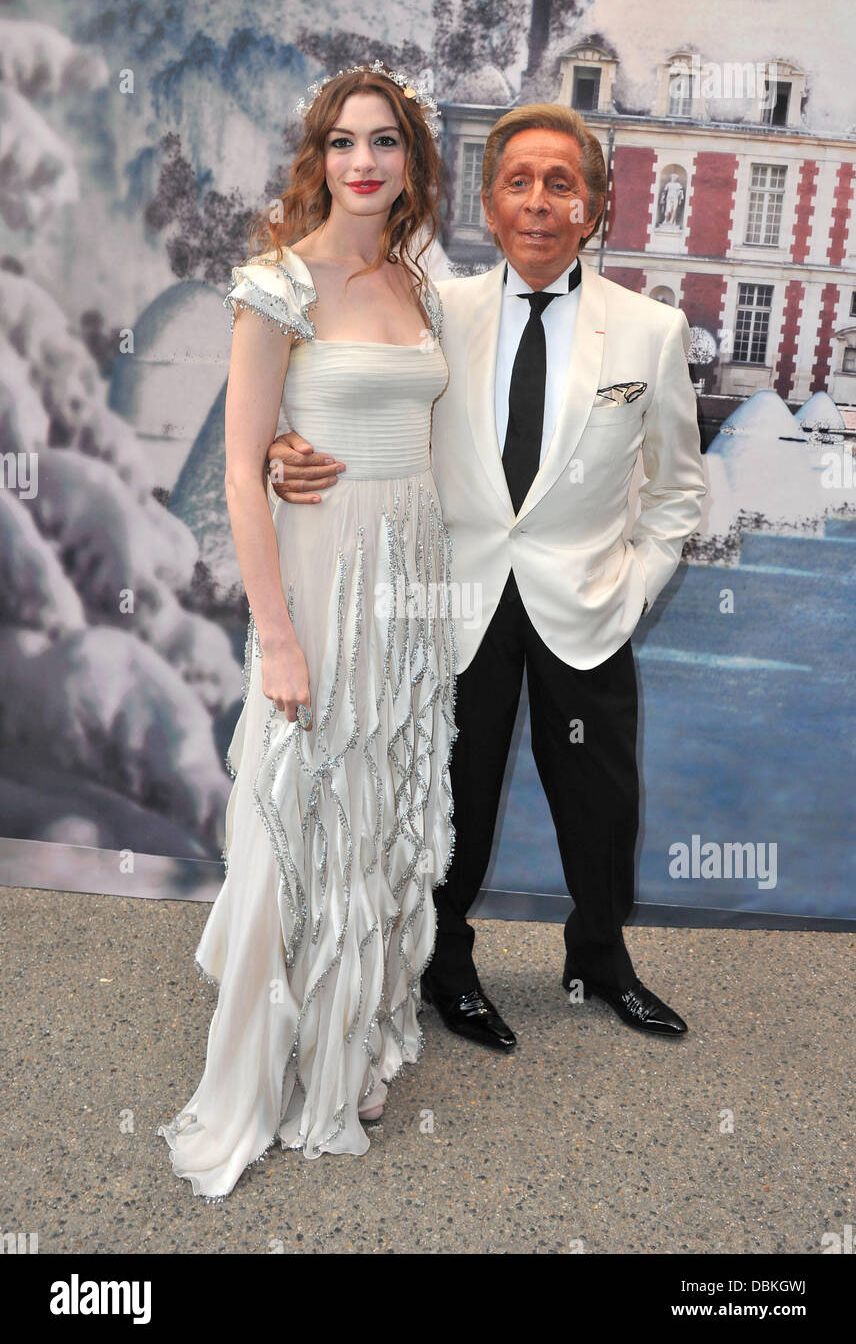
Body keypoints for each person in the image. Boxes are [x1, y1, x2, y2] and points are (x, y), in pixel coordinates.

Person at [268, 103, 708, 1053]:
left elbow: (677, 491)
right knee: (450, 794)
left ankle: (599, 956)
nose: (540, 203)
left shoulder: (651, 330)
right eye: (520, 182)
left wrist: (634, 585)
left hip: (587, 605)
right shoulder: (437, 309)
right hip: (454, 601)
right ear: (489, 201)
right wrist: (282, 445)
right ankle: (448, 964)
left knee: (601, 802)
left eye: (562, 184)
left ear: (596, 206)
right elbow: (352, 407)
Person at [157, 64, 456, 1200]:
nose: (364, 162)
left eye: (384, 142)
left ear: (411, 163)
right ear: (317, 158)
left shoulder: (418, 286)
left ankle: (352, 1037)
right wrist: (275, 635)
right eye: (343, 143)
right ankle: (265, 1066)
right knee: (299, 814)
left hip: (409, 584)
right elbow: (242, 471)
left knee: (381, 810)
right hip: (321, 582)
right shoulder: (275, 281)